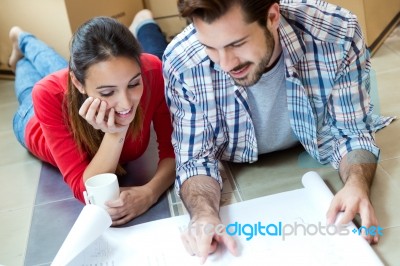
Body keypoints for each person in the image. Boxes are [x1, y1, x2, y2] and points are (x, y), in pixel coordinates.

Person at [162, 0, 395, 262]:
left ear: (272, 16)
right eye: (210, 48)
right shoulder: (182, 62)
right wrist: (203, 214)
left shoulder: (337, 33)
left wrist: (356, 184)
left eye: (236, 44)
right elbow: (195, 160)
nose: (226, 63)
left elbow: (352, 132)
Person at [10, 11, 175, 226]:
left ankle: (23, 40)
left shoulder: (152, 70)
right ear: (79, 84)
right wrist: (117, 131)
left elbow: (175, 150)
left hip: (78, 83)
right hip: (32, 118)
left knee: (60, 67)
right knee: (28, 82)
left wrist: (150, 193)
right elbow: (86, 190)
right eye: (108, 93)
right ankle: (21, 39)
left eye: (134, 84)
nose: (126, 103)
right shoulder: (48, 95)